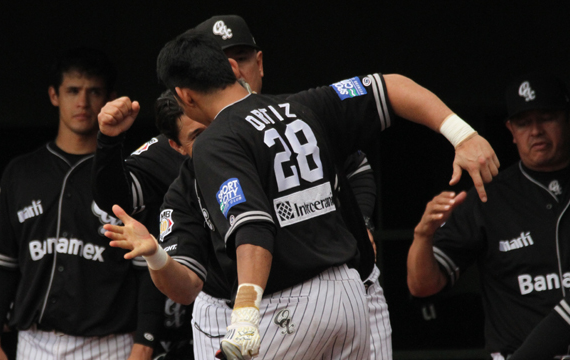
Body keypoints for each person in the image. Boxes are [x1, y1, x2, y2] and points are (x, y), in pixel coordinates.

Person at [134, 30, 497, 360]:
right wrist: (462, 135)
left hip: (285, 309)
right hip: (348, 297)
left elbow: (253, 228)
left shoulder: (216, 141)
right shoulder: (304, 105)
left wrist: (245, 315)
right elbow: (389, 87)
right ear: (234, 68)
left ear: (184, 95)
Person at [94, 14, 389, 360]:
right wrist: (109, 143)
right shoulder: (186, 173)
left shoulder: (294, 110)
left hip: (334, 285)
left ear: (237, 67)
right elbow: (118, 203)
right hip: (234, 302)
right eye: (198, 134)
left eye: (242, 57)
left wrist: (365, 221)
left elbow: (356, 163)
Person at [0, 47, 160, 360]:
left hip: (110, 344)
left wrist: (144, 345)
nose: (82, 102)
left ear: (110, 98)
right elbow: (1, 263)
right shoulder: (21, 172)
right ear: (54, 95)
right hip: (34, 343)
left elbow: (148, 267)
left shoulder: (128, 176)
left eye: (94, 92)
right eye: (72, 91)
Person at [407, 72, 570, 359]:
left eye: (546, 117)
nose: (536, 131)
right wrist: (423, 235)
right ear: (510, 130)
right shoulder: (488, 196)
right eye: (523, 122)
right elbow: (422, 286)